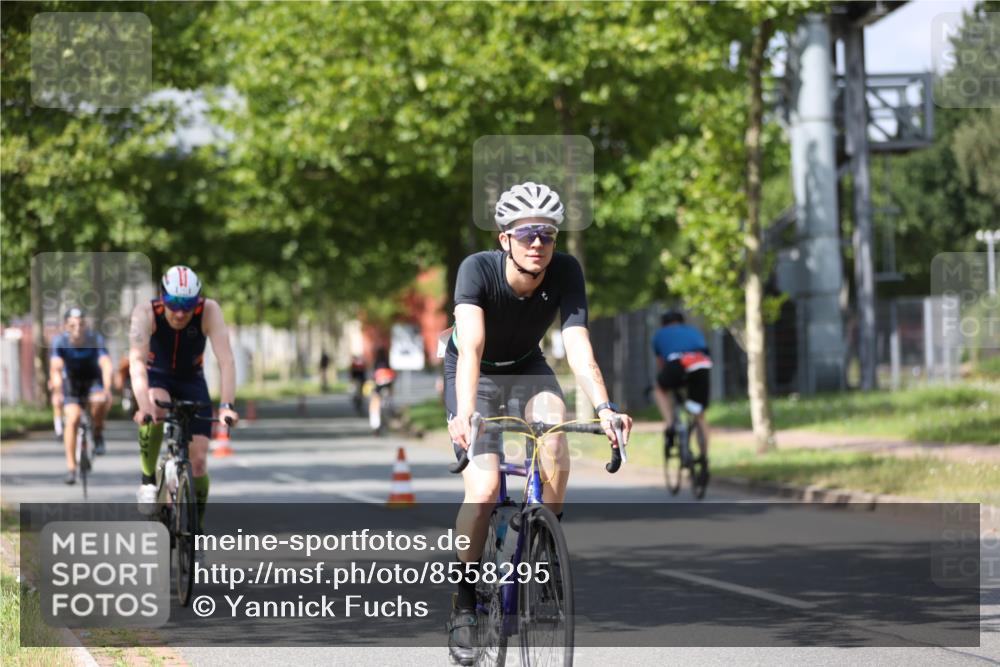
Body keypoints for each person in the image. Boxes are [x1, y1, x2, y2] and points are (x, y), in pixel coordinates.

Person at [444, 181, 633, 665]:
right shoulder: (477, 270)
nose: (537, 244)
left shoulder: (566, 271)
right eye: (527, 234)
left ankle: (545, 543)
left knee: (555, 434)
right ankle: (465, 604)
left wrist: (606, 408)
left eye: (547, 235)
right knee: (484, 489)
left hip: (529, 367)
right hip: (476, 374)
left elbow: (577, 345)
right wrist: (465, 413)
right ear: (504, 238)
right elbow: (472, 349)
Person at [129, 266, 239, 539]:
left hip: (192, 380)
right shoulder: (145, 313)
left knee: (199, 460)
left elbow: (226, 361)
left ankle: (196, 528)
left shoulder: (209, 310)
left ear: (198, 301)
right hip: (157, 377)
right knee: (155, 407)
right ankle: (147, 481)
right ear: (162, 298)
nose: (180, 313)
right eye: (173, 304)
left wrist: (227, 405)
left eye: (188, 305)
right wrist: (142, 405)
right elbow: (137, 363)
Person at [49, 308, 113, 484]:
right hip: (72, 383)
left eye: (81, 323)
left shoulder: (95, 339)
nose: (77, 327)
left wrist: (108, 389)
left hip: (93, 381)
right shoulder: (59, 341)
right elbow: (55, 367)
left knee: (100, 401)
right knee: (73, 418)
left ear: (86, 325)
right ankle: (71, 468)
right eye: (72, 324)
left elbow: (106, 364)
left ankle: (98, 433)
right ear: (65, 326)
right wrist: (56, 390)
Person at [651, 310, 713, 462]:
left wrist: (666, 380)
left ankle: (670, 423)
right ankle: (704, 457)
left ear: (664, 323)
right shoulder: (693, 331)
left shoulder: (660, 334)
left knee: (659, 389)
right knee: (699, 413)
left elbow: (662, 364)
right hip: (701, 364)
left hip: (677, 364)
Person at [369, 347, 396, 434]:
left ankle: (375, 425)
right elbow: (392, 379)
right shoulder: (388, 364)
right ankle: (389, 418)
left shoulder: (376, 365)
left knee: (374, 406)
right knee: (388, 404)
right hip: (387, 389)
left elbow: (373, 379)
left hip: (378, 390)